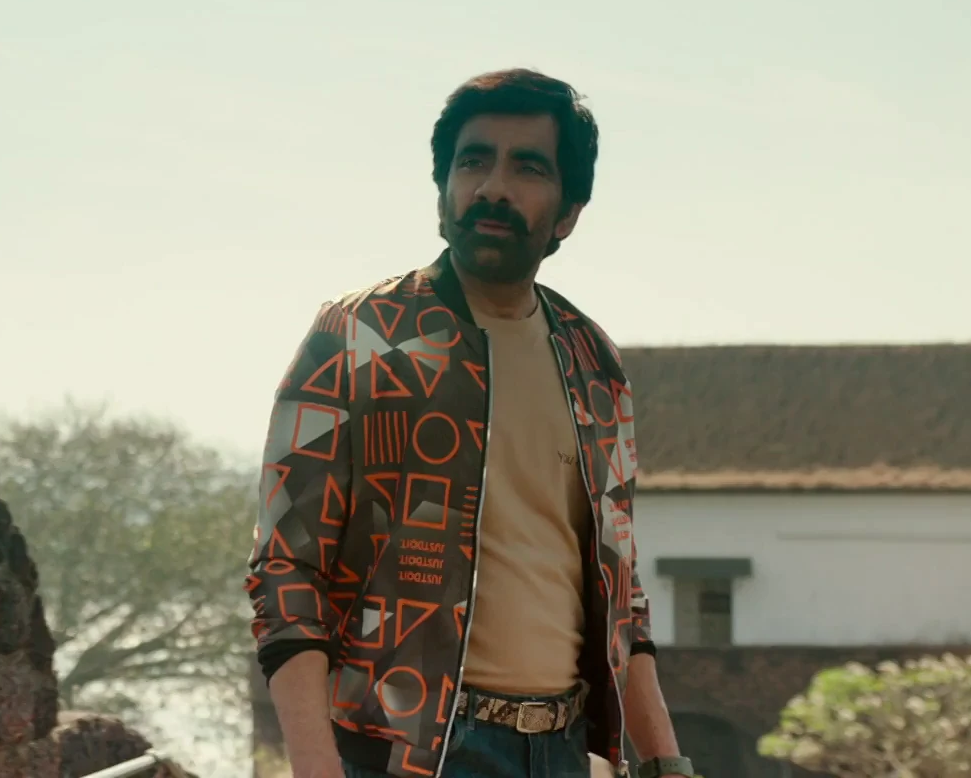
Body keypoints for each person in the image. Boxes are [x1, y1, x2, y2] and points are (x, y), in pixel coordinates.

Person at [246, 68, 694, 778]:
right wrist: (315, 766)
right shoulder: (360, 334)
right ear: (442, 192)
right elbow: (287, 568)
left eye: (528, 168)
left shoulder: (593, 360)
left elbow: (620, 588)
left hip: (561, 749)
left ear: (569, 212)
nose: (492, 187)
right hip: (411, 751)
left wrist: (666, 761)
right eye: (473, 161)